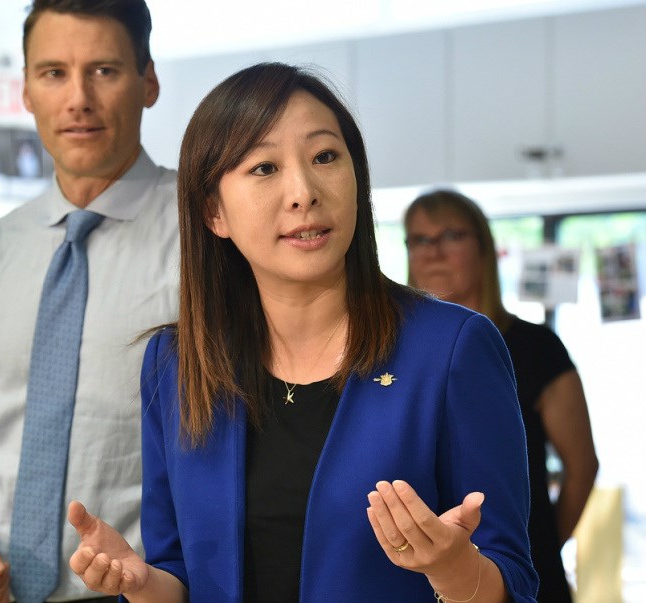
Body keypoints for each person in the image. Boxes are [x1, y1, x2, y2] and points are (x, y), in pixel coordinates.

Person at [66, 62, 538, 602]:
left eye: (325, 157)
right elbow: (181, 572)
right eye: (264, 168)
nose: (303, 191)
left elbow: (515, 581)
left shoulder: (452, 348)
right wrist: (144, 582)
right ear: (214, 211)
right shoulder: (175, 363)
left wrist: (457, 571)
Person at [0, 1, 178, 602]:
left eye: (105, 70)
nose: (78, 98)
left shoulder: (209, 235)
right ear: (27, 91)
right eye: (54, 72)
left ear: (148, 82)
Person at [404, 189, 599, 602]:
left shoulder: (536, 347)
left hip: (519, 573)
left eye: (450, 236)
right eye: (420, 239)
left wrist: (541, 547)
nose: (434, 252)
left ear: (484, 248)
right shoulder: (395, 354)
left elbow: (581, 465)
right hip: (418, 577)